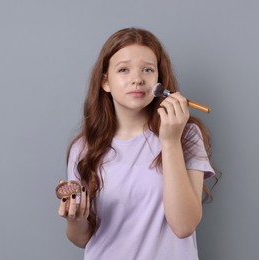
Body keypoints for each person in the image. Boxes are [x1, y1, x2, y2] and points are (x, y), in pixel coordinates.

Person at [57, 27, 219, 260]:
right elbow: (80, 238)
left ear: (159, 81)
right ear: (106, 82)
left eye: (148, 70)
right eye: (123, 70)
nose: (137, 79)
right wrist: (76, 219)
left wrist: (170, 141)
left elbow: (184, 226)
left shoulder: (186, 134)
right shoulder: (83, 148)